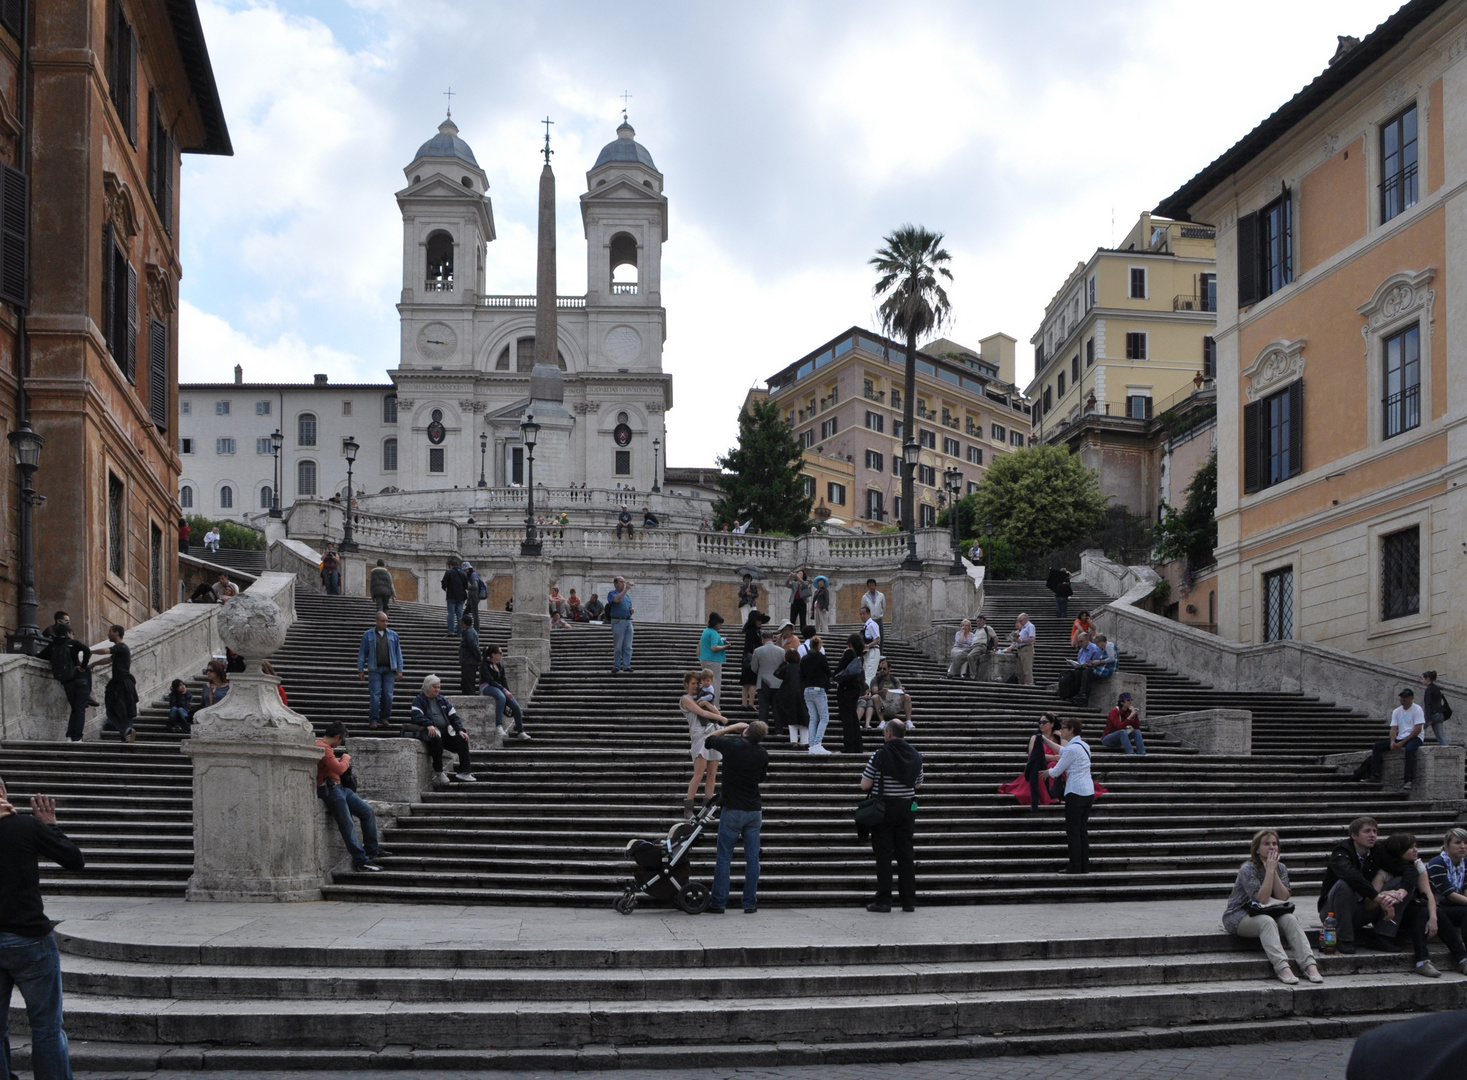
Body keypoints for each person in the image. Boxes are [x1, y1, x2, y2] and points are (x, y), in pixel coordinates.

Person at [0, 777, 85, 1080]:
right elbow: (74, 860)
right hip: (29, 939)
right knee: (47, 1027)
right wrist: (49, 826)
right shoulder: (25, 826)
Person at [1221, 829, 1323, 985]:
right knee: (1266, 922)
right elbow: (1261, 898)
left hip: (1270, 911)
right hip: (1240, 915)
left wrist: (1274, 871)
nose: (1272, 847)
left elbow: (1283, 897)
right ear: (1257, 849)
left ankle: (1309, 964)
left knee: (1290, 918)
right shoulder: (1247, 869)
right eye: (1266, 844)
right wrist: (1268, 871)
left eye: (1275, 844)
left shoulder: (1281, 867)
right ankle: (1282, 967)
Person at [704, 720, 770, 914]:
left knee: (724, 856)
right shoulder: (762, 753)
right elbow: (761, 778)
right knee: (752, 858)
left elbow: (709, 741)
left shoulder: (732, 745)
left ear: (747, 730)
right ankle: (749, 903)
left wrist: (732, 728)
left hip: (733, 808)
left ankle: (718, 902)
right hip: (754, 810)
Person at [861, 718, 923, 912]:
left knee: (884, 854)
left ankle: (884, 900)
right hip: (907, 808)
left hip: (884, 809)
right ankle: (908, 901)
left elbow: (865, 784)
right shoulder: (915, 755)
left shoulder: (880, 754)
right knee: (905, 854)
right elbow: (918, 783)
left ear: (888, 733)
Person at [1317, 816, 1404, 954]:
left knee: (1400, 881)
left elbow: (1402, 867)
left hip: (1363, 907)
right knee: (1345, 884)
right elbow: (1350, 875)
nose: (1372, 835)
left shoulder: (1377, 850)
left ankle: (1382, 936)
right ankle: (1345, 939)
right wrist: (1376, 895)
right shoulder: (1341, 851)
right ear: (1354, 835)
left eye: (1375, 831)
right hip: (1332, 912)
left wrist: (1401, 892)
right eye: (1367, 831)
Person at [317, 722, 388, 873]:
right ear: (337, 737)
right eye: (341, 740)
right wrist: (346, 757)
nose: (341, 743)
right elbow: (340, 769)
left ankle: (371, 849)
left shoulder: (325, 747)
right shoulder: (323, 748)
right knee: (347, 824)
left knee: (367, 811)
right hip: (330, 790)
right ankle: (361, 861)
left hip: (340, 788)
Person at [408, 675, 475, 784]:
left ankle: (464, 772)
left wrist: (460, 730)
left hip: (446, 732)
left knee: (462, 739)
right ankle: (439, 771)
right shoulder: (419, 700)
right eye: (435, 687)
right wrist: (428, 724)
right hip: (429, 732)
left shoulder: (443, 700)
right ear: (427, 687)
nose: (437, 690)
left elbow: (454, 717)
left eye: (439, 687)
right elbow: (416, 716)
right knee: (436, 739)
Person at [1049, 717, 1094, 874]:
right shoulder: (1084, 745)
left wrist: (1046, 772)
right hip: (1088, 791)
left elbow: (1056, 771)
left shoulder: (1072, 749)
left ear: (1071, 730)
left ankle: (1074, 865)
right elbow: (1063, 751)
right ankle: (1084, 865)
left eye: (1064, 728)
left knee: (1073, 831)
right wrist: (1045, 740)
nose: (1061, 730)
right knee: (1082, 829)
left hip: (1075, 792)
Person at [680, 670, 723, 818]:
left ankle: (707, 809)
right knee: (699, 774)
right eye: (693, 683)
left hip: (713, 734)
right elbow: (702, 713)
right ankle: (688, 808)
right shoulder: (686, 699)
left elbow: (715, 710)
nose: (696, 686)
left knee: (712, 774)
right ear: (687, 684)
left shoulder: (704, 696)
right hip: (699, 737)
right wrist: (722, 719)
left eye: (698, 683)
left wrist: (708, 704)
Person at [1426, 827, 1467, 976]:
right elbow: (1449, 894)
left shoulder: (1465, 863)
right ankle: (1462, 958)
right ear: (1447, 846)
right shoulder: (1438, 863)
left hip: (1452, 906)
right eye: (1457, 843)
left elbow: (1465, 888)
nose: (1462, 846)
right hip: (1433, 907)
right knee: (1440, 913)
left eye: (1465, 843)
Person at [1367, 688, 1426, 791]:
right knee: (1377, 747)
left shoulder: (1417, 709)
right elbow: (1393, 729)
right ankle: (1375, 774)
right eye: (1401, 697)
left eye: (1405, 697)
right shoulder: (1396, 711)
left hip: (1416, 737)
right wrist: (1392, 741)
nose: (1403, 699)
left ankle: (1408, 780)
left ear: (1411, 698)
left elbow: (1418, 729)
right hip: (1401, 737)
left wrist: (1402, 742)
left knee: (1409, 749)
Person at [999, 713, 1062, 808]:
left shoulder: (1056, 739)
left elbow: (1066, 752)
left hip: (1054, 767)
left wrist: (1061, 736)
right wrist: (1053, 757)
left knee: (1052, 766)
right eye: (1040, 722)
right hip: (1038, 766)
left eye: (1044, 722)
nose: (1041, 724)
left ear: (1052, 724)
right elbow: (1033, 755)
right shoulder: (1035, 737)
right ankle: (1049, 797)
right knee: (1041, 772)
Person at [44, 623, 92, 743]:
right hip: (80, 679)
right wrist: (83, 665)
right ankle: (76, 738)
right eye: (72, 633)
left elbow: (41, 655)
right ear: (67, 633)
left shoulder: (53, 645)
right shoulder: (73, 643)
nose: (72, 635)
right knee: (80, 709)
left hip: (67, 681)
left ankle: (70, 736)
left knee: (75, 708)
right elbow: (87, 650)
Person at [357, 611, 404, 729]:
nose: (385, 623)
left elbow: (398, 653)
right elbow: (362, 652)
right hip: (375, 668)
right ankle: (373, 719)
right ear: (376, 621)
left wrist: (400, 669)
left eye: (386, 621)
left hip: (389, 669)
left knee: (388, 695)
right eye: (382, 621)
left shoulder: (393, 635)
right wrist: (360, 669)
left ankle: (384, 717)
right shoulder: (368, 635)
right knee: (375, 695)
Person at [94, 624, 138, 744]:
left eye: (110, 632)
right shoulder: (120, 650)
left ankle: (127, 731)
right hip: (119, 683)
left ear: (116, 633)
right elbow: (108, 659)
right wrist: (93, 664)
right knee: (116, 710)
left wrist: (90, 651)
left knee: (119, 710)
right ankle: (126, 733)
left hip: (122, 684)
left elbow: (105, 651)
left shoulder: (121, 647)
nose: (108, 634)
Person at [478, 644, 529, 740]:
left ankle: (520, 731)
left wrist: (508, 691)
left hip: (499, 687)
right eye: (500, 653)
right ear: (493, 654)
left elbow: (503, 680)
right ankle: (499, 726)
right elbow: (490, 681)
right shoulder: (485, 665)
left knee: (516, 706)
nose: (502, 654)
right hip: (487, 686)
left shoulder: (499, 665)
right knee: (501, 696)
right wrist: (504, 690)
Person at [835, 632, 867, 755]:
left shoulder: (849, 653)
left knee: (847, 718)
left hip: (846, 689)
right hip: (855, 689)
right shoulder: (860, 656)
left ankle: (848, 746)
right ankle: (858, 746)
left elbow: (839, 669)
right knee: (853, 717)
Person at [800, 635, 833, 755]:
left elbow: (801, 676)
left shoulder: (804, 658)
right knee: (824, 718)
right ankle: (817, 743)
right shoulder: (821, 657)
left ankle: (812, 744)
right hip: (818, 689)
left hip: (807, 689)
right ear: (819, 646)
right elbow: (828, 672)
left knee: (813, 718)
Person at [750, 628, 785, 728]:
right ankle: (779, 730)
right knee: (777, 708)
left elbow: (754, 667)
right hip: (778, 682)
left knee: (763, 708)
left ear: (763, 639)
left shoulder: (757, 651)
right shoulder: (781, 651)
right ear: (772, 638)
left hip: (763, 682)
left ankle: (762, 730)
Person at [1058, 632, 1105, 704]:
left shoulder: (1095, 649)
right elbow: (1079, 662)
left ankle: (1082, 695)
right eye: (1079, 642)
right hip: (1082, 669)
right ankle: (1073, 694)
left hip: (1092, 669)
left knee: (1084, 673)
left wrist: (1088, 664)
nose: (1080, 643)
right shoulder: (1081, 651)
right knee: (1076, 673)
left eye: (1081, 641)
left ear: (1087, 639)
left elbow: (1097, 662)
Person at [774, 647, 806, 745]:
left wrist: (783, 663)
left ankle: (794, 741)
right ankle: (805, 741)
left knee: (792, 719)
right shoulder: (802, 667)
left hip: (789, 695)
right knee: (804, 718)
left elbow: (776, 673)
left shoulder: (786, 668)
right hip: (803, 694)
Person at [869, 658, 912, 729]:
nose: (882, 670)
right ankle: (882, 721)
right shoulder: (876, 679)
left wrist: (902, 690)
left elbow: (900, 690)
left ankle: (908, 721)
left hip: (893, 702)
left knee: (907, 696)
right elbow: (874, 691)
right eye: (880, 669)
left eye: (884, 669)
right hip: (882, 703)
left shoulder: (894, 680)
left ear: (889, 669)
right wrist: (881, 691)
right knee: (875, 697)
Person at [739, 611, 768, 708]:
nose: (760, 622)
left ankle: (744, 703)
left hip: (747, 658)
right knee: (752, 682)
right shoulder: (753, 631)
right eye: (758, 620)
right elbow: (754, 646)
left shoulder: (751, 630)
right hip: (752, 659)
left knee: (746, 682)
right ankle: (750, 703)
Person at [698, 613, 728, 702]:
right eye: (719, 624)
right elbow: (714, 647)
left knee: (706, 682)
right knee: (715, 683)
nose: (720, 626)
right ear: (715, 623)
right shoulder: (714, 633)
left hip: (704, 658)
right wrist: (725, 647)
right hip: (713, 660)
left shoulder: (706, 631)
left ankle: (705, 700)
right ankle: (714, 704)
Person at [608, 576, 634, 673]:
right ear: (615, 584)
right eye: (621, 582)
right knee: (618, 646)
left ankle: (627, 665)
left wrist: (631, 611)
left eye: (624, 582)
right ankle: (617, 665)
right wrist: (626, 590)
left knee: (628, 646)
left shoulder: (627, 597)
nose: (623, 583)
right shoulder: (612, 593)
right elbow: (616, 600)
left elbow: (629, 607)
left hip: (628, 621)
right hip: (618, 621)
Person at [1003, 613, 1036, 685]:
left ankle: (1029, 683)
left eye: (1020, 621)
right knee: (1021, 670)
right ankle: (1022, 683)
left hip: (1026, 648)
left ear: (1026, 619)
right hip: (1020, 649)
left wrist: (1021, 641)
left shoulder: (1030, 626)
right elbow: (1017, 641)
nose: (1020, 622)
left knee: (1027, 669)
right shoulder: (1022, 628)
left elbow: (1032, 639)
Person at [440, 558, 469, 637]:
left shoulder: (449, 572)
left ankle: (451, 631)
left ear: (450, 566)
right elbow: (466, 586)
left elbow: (444, 583)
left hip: (451, 596)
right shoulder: (463, 574)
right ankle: (460, 633)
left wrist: (446, 589)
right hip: (461, 597)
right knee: (460, 615)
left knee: (451, 614)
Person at [1422, 670, 1450, 746]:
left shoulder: (1429, 689)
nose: (1422, 681)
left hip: (1433, 715)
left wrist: (1428, 718)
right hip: (1440, 714)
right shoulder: (1436, 688)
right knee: (1441, 736)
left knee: (1417, 730)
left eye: (1423, 679)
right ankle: (1448, 752)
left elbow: (1428, 704)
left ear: (1427, 678)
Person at [457, 615, 481, 697]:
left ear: (463, 622)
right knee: (466, 683)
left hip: (469, 662)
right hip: (468, 661)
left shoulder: (469, 632)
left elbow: (474, 646)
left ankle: (470, 701)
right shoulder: (469, 631)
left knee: (468, 684)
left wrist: (479, 657)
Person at [860, 604, 882, 684]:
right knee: (865, 674)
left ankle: (867, 693)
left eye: (864, 614)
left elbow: (878, 639)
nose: (862, 616)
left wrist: (868, 645)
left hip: (873, 651)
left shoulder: (872, 625)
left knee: (869, 674)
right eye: (861, 614)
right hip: (867, 653)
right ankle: (865, 692)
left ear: (869, 614)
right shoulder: (866, 626)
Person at [786, 570, 811, 634]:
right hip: (794, 601)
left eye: (801, 574)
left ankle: (803, 630)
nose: (799, 575)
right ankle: (792, 630)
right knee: (793, 616)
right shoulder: (794, 583)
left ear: (803, 576)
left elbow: (805, 585)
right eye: (798, 573)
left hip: (802, 601)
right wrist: (789, 578)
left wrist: (799, 578)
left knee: (802, 617)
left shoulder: (806, 582)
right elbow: (787, 585)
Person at [465, 563, 484, 631]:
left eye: (465, 570)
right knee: (465, 613)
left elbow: (475, 586)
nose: (464, 571)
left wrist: (467, 586)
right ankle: (463, 626)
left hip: (474, 596)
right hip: (472, 596)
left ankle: (476, 629)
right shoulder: (472, 575)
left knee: (475, 614)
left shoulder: (473, 575)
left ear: (468, 569)